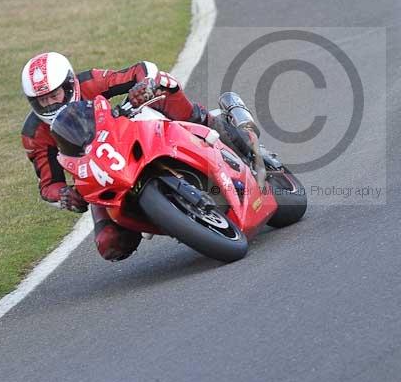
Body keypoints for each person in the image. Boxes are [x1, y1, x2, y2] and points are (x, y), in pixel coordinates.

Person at [20, 51, 248, 261]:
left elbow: (140, 69)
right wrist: (64, 194)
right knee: (110, 244)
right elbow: (48, 184)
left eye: (55, 95)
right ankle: (171, 219)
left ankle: (226, 133)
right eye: (43, 100)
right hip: (99, 173)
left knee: (165, 88)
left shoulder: (89, 82)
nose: (51, 103)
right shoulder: (34, 134)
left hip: (125, 130)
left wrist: (144, 86)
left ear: (70, 86)